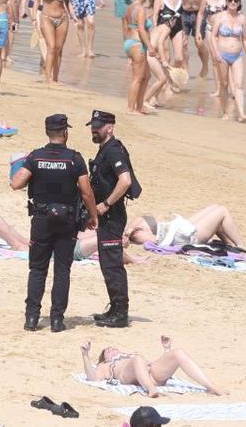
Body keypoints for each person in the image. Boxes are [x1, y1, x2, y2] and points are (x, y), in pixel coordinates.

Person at [10, 114, 98, 332]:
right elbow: (86, 192)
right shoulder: (75, 159)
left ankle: (32, 319)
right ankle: (57, 320)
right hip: (67, 220)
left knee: (37, 269)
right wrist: (94, 215)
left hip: (41, 219)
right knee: (62, 270)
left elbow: (16, 183)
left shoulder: (36, 157)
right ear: (65, 132)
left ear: (47, 132)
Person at [87, 110, 140, 328]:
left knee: (113, 265)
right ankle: (115, 307)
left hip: (112, 215)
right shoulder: (104, 150)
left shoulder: (114, 151)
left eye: (99, 126)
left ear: (110, 127)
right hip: (106, 216)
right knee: (107, 263)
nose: (94, 129)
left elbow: (125, 181)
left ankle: (120, 313)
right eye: (93, 125)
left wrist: (106, 203)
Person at [80, 336, 225, 396]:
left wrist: (166, 350)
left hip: (151, 374)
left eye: (113, 347)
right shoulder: (105, 365)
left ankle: (210, 386)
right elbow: (93, 379)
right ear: (103, 358)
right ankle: (151, 390)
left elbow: (154, 365)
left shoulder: (131, 354)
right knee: (137, 359)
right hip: (128, 376)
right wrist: (85, 355)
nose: (111, 349)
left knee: (178, 353)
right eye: (107, 351)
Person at [209, 0, 246, 121]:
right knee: (224, 84)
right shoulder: (220, 17)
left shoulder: (242, 18)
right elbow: (213, 36)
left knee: (238, 85)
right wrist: (216, 53)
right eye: (230, 0)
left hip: (237, 56)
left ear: (239, 3)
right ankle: (225, 112)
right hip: (222, 55)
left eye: (235, 1)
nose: (233, 2)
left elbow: (245, 38)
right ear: (226, 2)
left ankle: (241, 114)